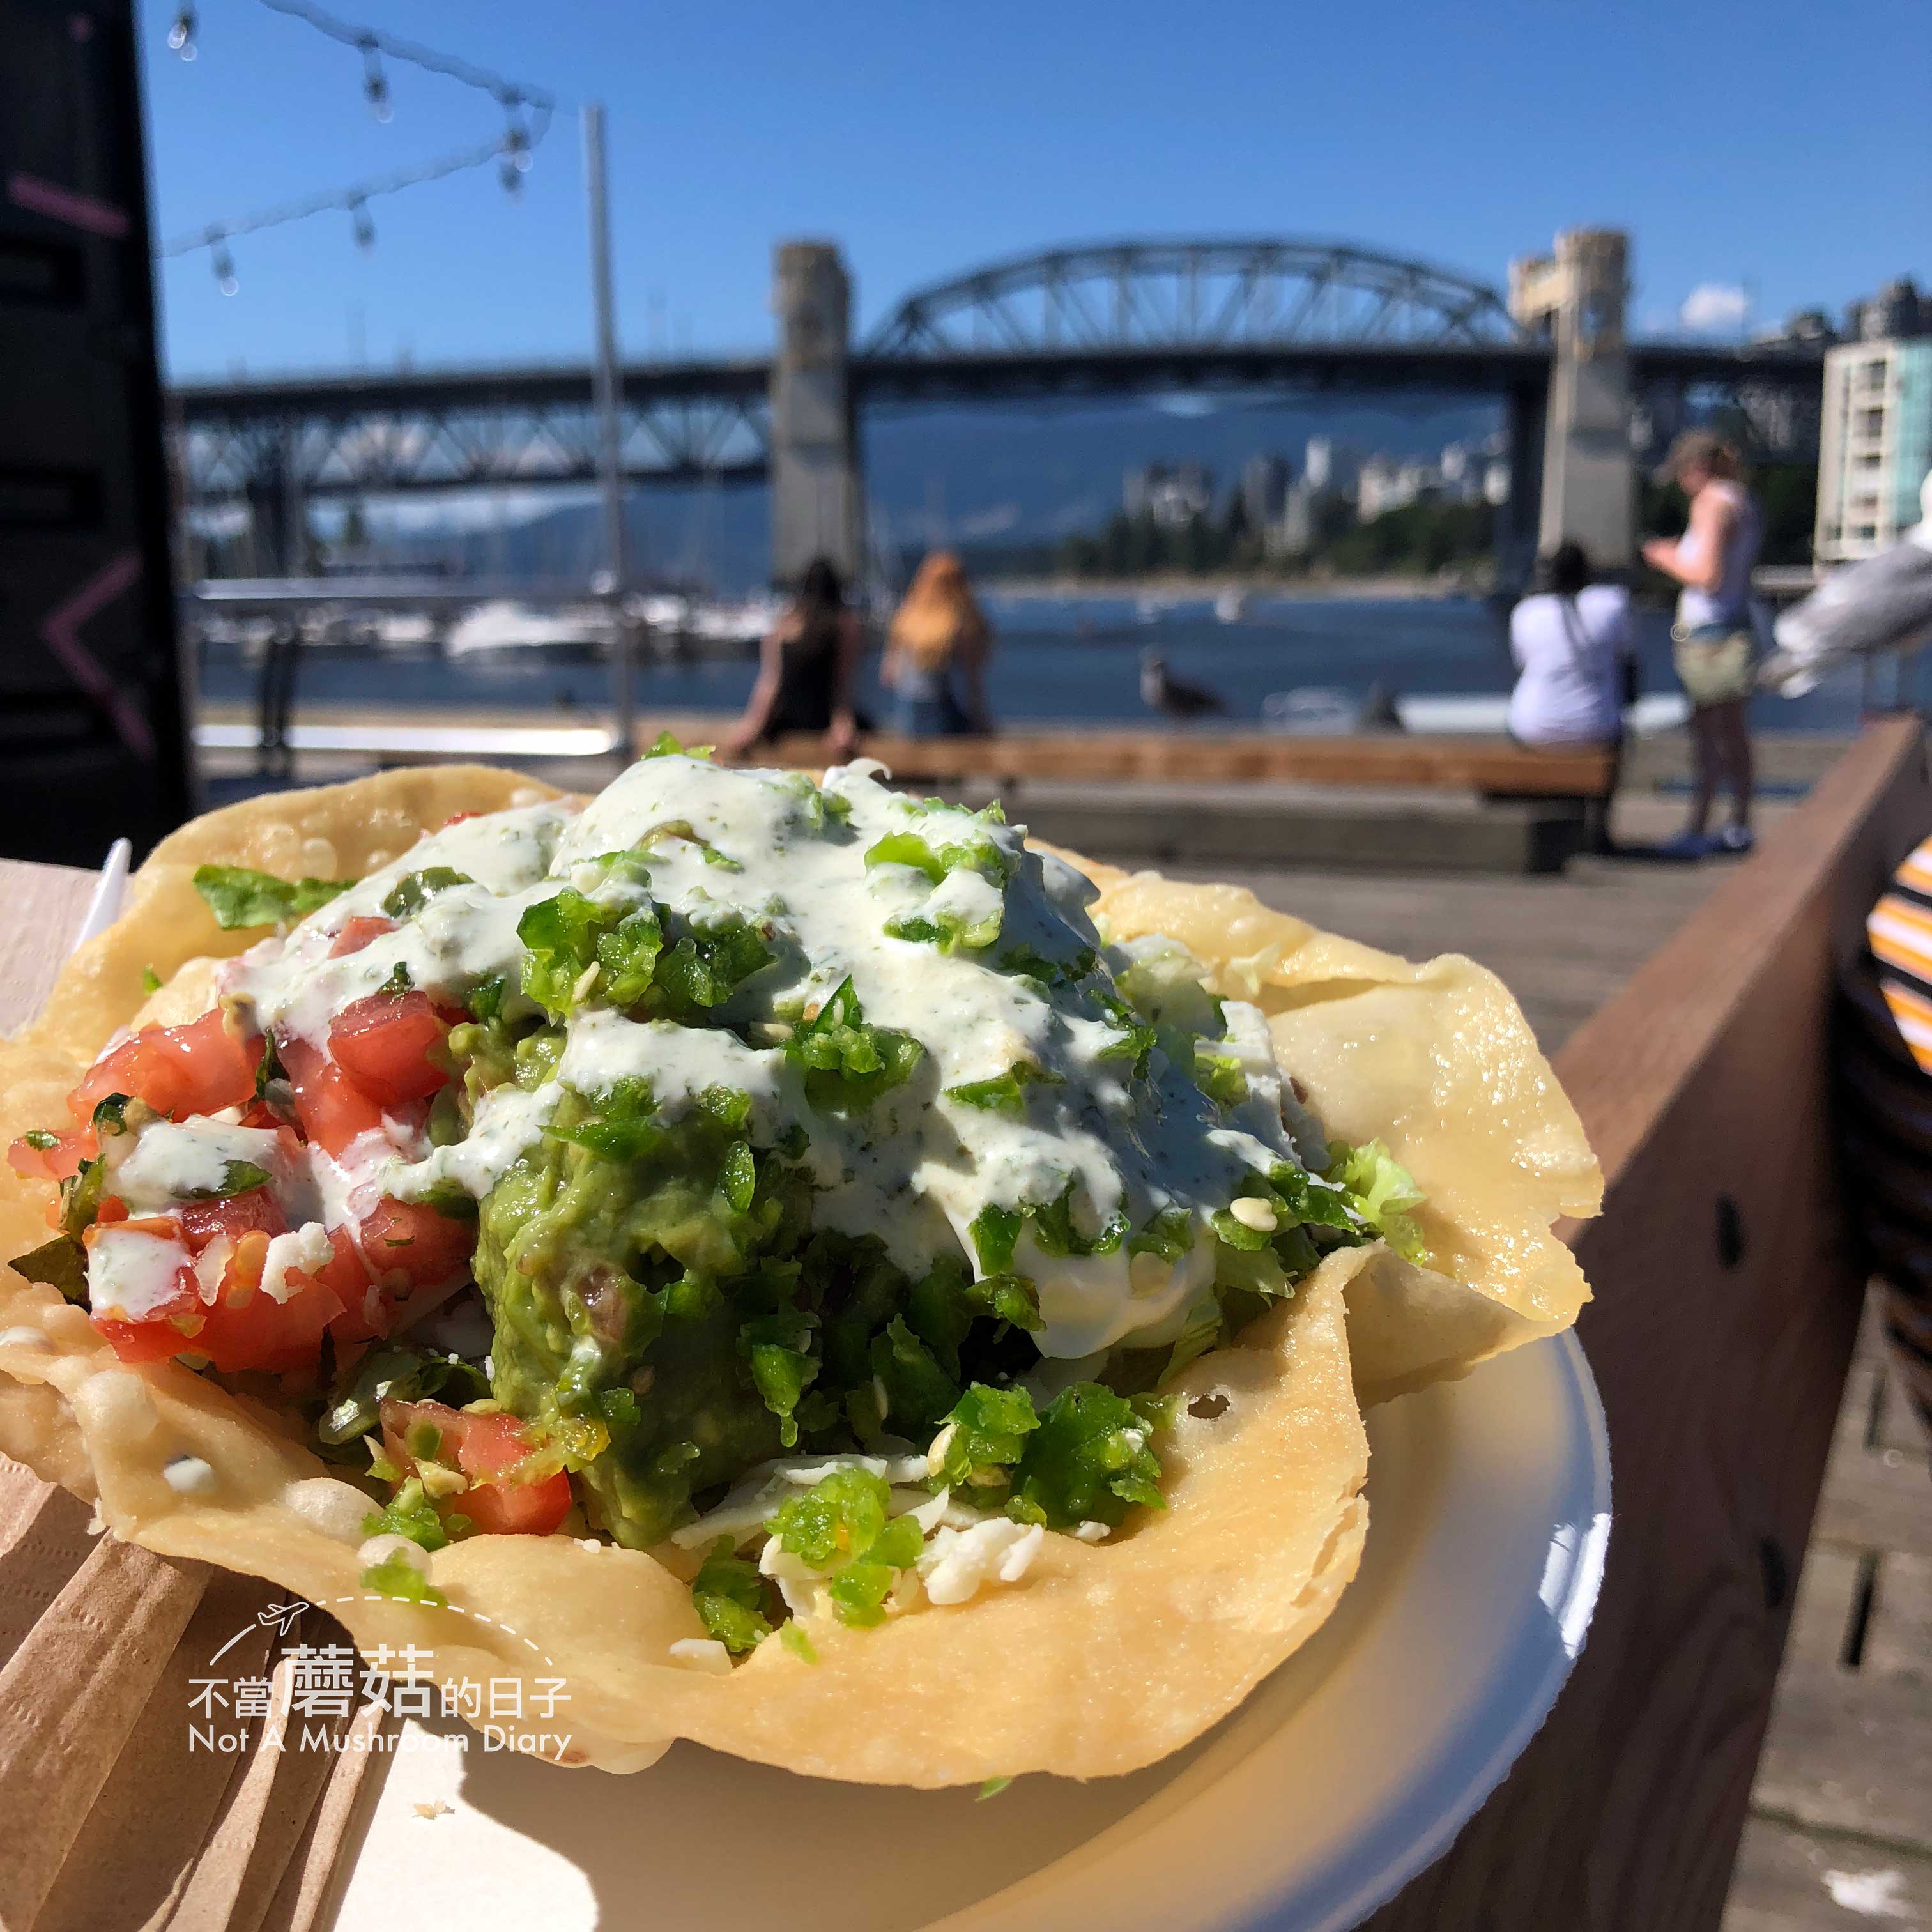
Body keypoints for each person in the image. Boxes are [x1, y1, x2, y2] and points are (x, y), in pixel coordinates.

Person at [1642, 431, 1764, 857]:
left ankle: (1698, 826)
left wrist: (1665, 558)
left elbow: (1707, 575)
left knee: (1709, 740)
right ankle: (1738, 824)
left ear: (1694, 468)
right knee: (1734, 737)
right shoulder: (1741, 500)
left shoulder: (1712, 503)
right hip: (1735, 628)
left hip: (1709, 637)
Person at [723, 556, 864, 760]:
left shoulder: (784, 625)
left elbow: (770, 682)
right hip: (822, 720)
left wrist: (753, 726)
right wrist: (842, 726)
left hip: (786, 720)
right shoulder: (845, 626)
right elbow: (842, 684)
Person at [1507, 539, 1632, 753]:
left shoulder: (1527, 612)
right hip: (1597, 727)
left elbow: (1521, 663)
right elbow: (1628, 661)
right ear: (1588, 573)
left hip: (1534, 727)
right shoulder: (1613, 604)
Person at [880, 551, 993, 737]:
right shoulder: (960, 623)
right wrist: (982, 722)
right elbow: (971, 686)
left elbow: (889, 676)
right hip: (947, 716)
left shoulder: (905, 619)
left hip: (909, 718)